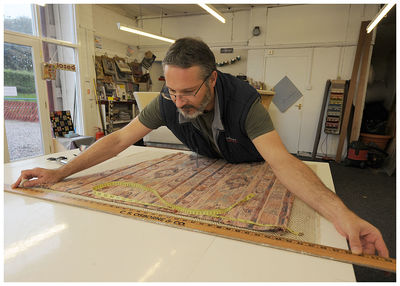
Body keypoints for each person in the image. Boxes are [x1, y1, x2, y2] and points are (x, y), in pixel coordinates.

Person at [12, 37, 388, 258]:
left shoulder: (245, 102)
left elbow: (282, 162)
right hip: (207, 162)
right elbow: (118, 140)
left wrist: (344, 216)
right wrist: (58, 172)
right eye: (172, 91)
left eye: (188, 91)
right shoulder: (168, 100)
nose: (179, 101)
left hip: (249, 165)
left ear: (212, 79)